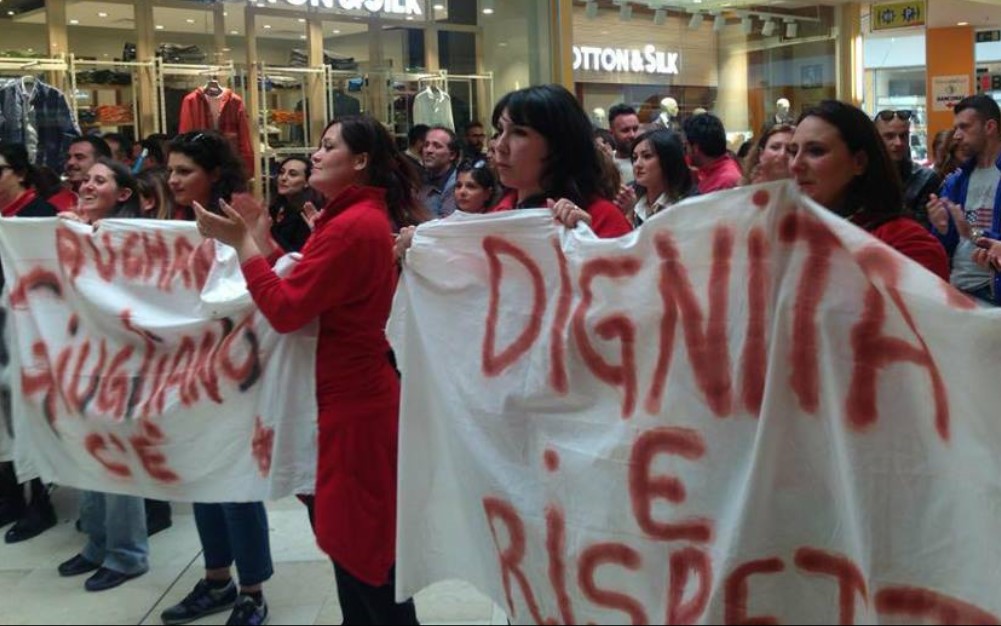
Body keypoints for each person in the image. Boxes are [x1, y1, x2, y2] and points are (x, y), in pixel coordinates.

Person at [192, 115, 426, 624]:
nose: (315, 154)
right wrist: (263, 245)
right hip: (342, 399)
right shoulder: (349, 220)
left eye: (327, 146)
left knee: (366, 555)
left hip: (353, 407)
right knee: (353, 550)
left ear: (359, 161)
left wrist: (245, 246)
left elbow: (287, 309)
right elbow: (309, 291)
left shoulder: (353, 225)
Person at [159, 131, 275, 626]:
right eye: (170, 170)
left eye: (184, 171)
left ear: (213, 173)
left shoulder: (243, 212)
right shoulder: (179, 219)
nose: (173, 179)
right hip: (193, 367)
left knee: (234, 480)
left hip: (237, 369)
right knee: (202, 472)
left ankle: (251, 591)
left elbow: (260, 281)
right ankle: (216, 579)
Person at [56, 160, 149, 592]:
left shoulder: (131, 236)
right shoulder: (73, 228)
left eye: (100, 180)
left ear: (123, 194)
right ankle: (97, 543)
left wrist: (86, 240)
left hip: (121, 364)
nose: (87, 185)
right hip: (82, 359)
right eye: (86, 180)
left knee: (117, 459)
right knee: (87, 454)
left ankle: (127, 554)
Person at [789, 100, 948, 280]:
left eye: (815, 151)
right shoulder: (789, 234)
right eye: (793, 152)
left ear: (859, 162)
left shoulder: (907, 244)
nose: (795, 164)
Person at [0, 143, 58, 546]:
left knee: (29, 413)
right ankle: (9, 496)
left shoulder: (40, 215)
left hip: (30, 331)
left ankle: (39, 499)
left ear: (20, 173)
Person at [927, 94, 1001, 304]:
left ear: (990, 127)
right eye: (956, 128)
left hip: (992, 291)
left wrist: (975, 234)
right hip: (958, 286)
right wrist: (941, 229)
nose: (957, 136)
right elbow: (947, 245)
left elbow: (972, 234)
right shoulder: (957, 181)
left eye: (964, 127)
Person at [874, 109, 940, 227]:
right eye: (889, 136)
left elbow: (921, 228)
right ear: (875, 138)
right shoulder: (861, 177)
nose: (898, 143)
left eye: (903, 136)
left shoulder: (926, 178)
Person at [628, 129, 698, 227]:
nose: (637, 164)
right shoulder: (630, 198)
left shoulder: (690, 203)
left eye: (647, 156)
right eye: (635, 158)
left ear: (668, 160)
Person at [269, 156, 325, 252]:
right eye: (281, 172)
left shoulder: (309, 215)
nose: (283, 178)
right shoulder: (275, 207)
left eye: (292, 174)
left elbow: (297, 255)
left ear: (307, 182)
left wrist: (267, 231)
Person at [684, 113, 743, 194]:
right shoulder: (708, 171)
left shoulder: (724, 183)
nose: (686, 152)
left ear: (695, 148)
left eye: (686, 146)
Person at [419, 125, 461, 219]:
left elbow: (446, 222)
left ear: (452, 155)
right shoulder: (420, 178)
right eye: (426, 145)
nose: (428, 150)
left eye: (437, 146)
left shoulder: (458, 183)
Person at [608, 103, 641, 184]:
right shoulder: (607, 163)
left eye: (635, 129)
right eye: (625, 130)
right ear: (611, 133)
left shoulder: (651, 162)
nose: (632, 135)